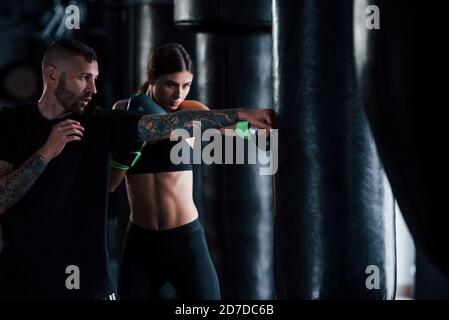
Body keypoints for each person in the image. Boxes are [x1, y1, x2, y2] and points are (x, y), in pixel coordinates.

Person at [0, 39, 273, 299]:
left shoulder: (119, 121)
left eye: (186, 85)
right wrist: (52, 151)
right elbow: (108, 186)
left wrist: (247, 124)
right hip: (129, 241)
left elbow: (203, 128)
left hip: (170, 241)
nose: (93, 89)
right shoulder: (16, 124)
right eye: (84, 77)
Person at [109, 43, 261, 300]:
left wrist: (259, 131)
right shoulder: (123, 111)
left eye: (186, 85)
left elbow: (233, 130)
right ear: (152, 78)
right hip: (141, 242)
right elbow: (110, 185)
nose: (178, 94)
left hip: (185, 240)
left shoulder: (192, 112)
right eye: (170, 84)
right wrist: (134, 145)